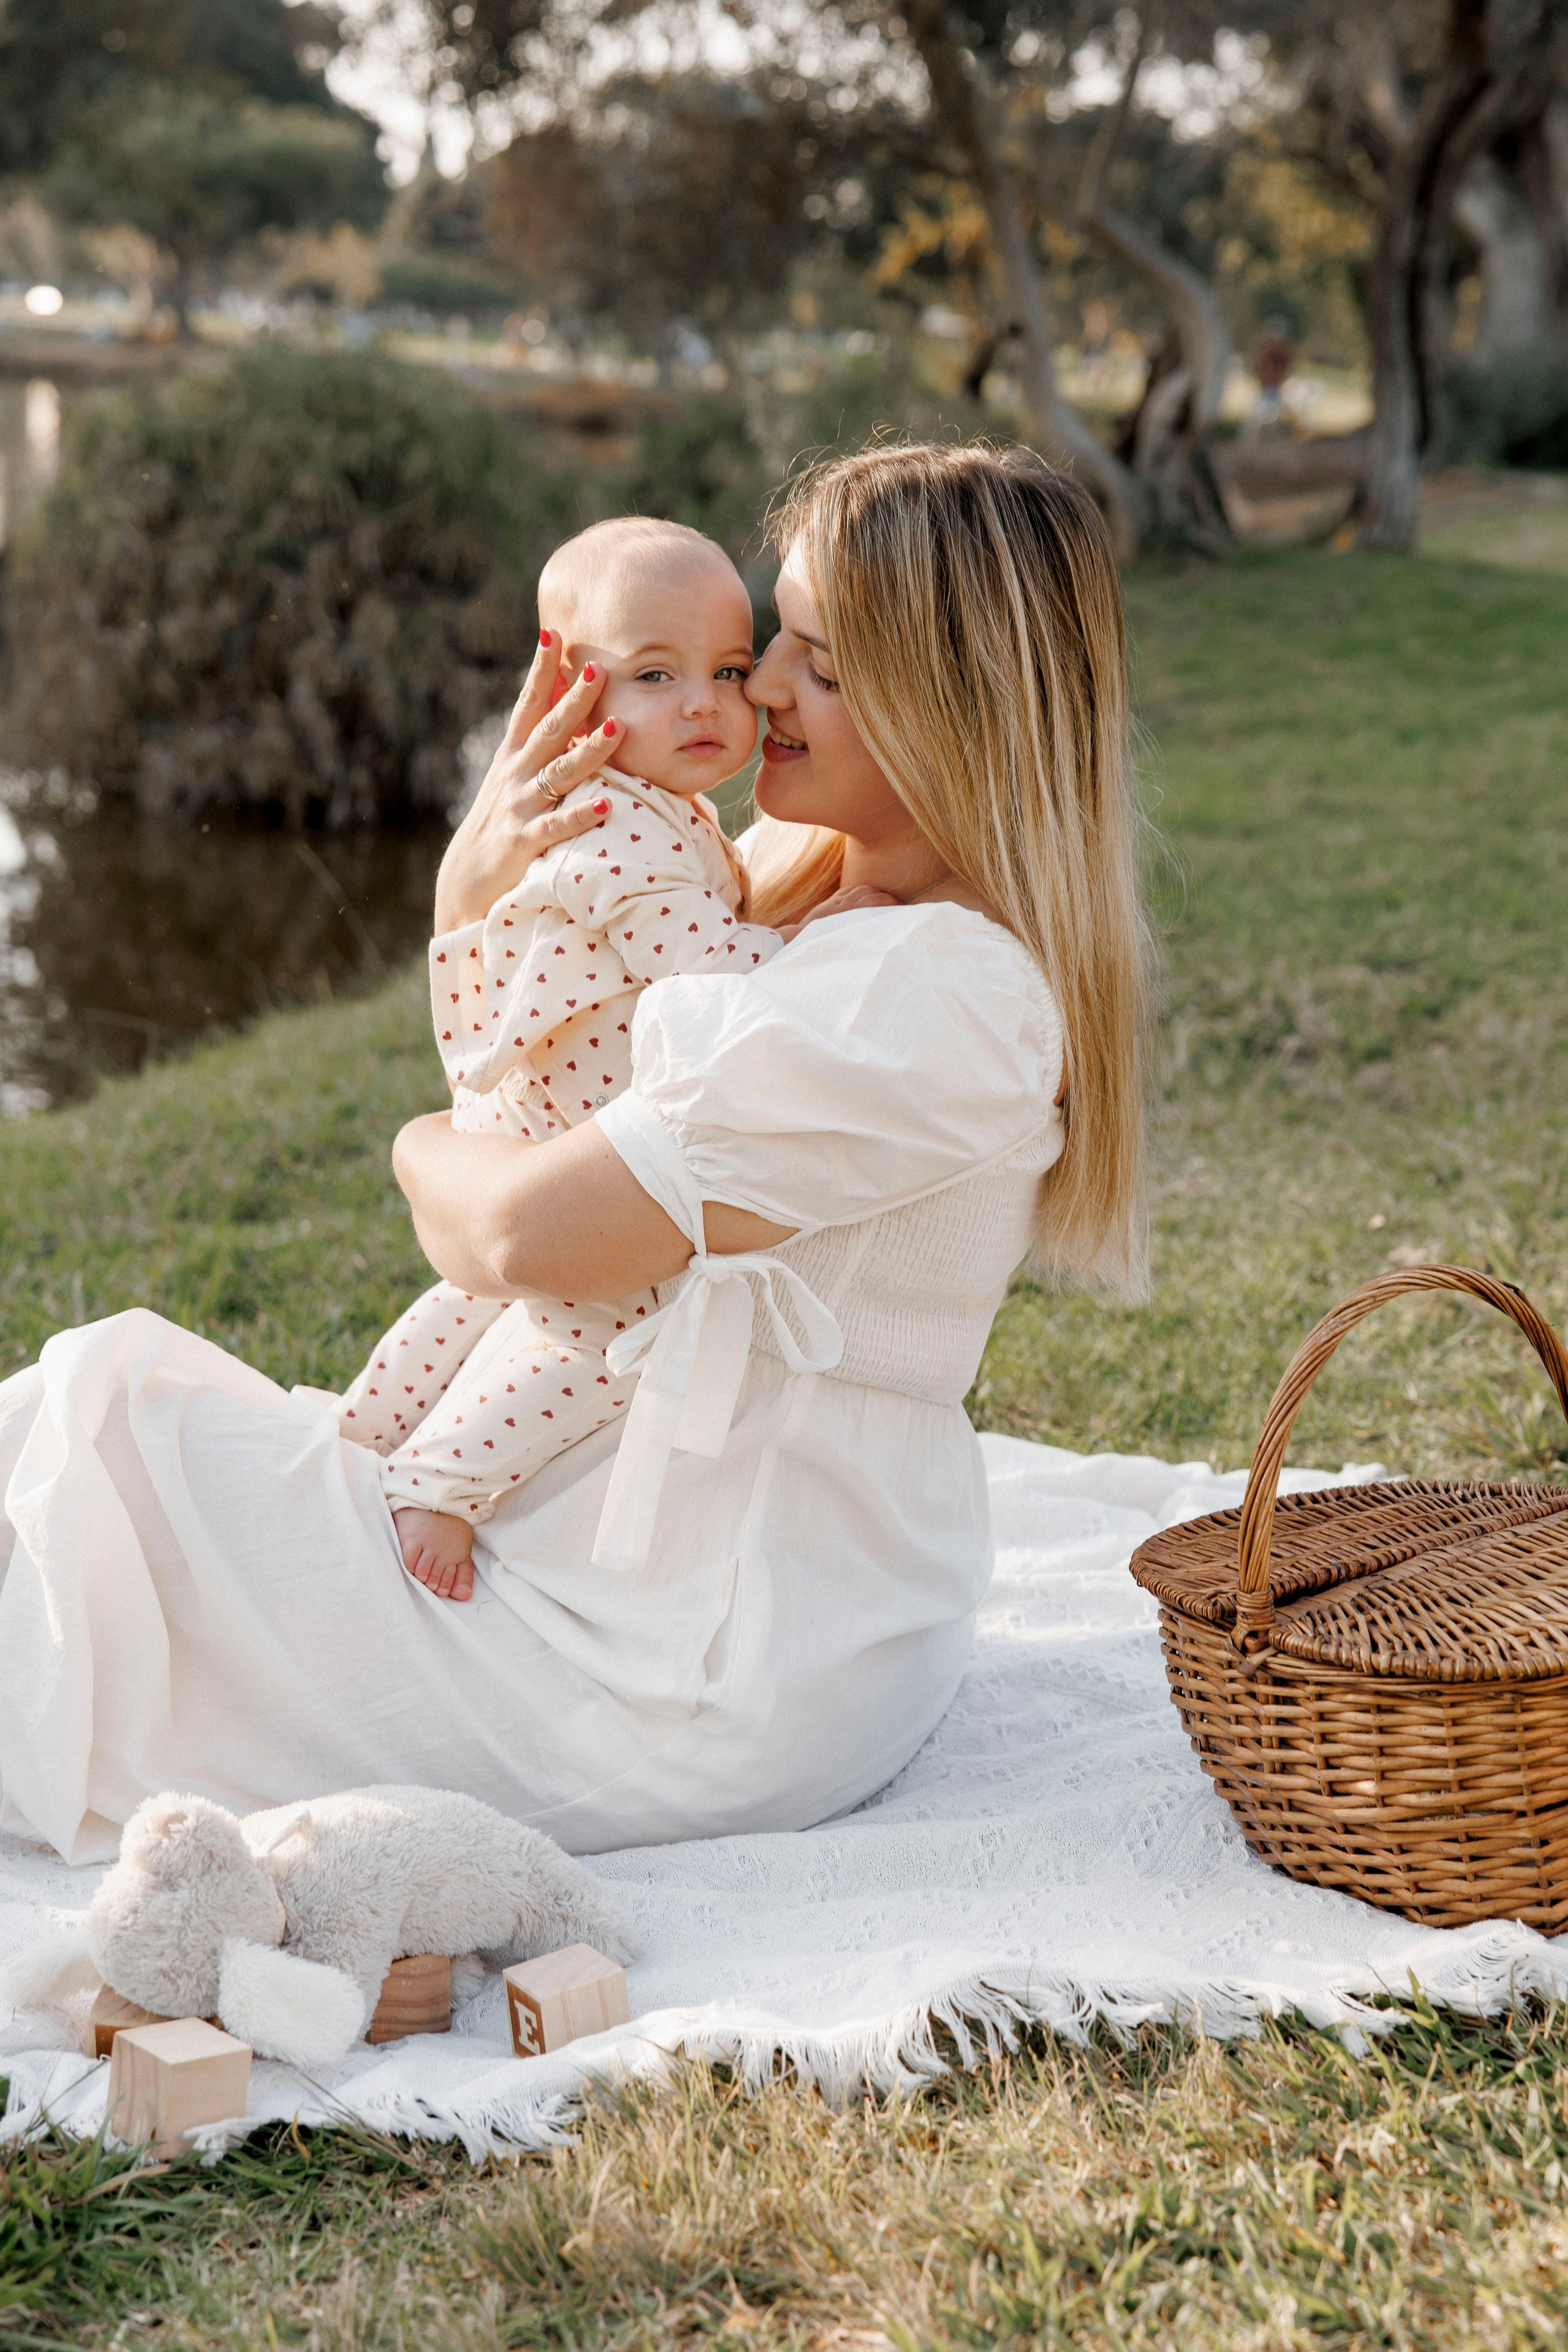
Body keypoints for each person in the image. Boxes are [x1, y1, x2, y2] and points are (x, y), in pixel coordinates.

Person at [0, 442, 1153, 1869]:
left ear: (961, 703)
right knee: (96, 1464)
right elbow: (541, 1100)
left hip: (678, 1655)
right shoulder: (784, 904)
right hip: (629, 1562)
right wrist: (468, 897)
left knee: (101, 1454)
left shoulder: (934, 994)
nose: (757, 693)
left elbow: (519, 1235)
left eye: (820, 661)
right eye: (765, 642)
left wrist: (424, 1147)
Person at [337, 516, 807, 1607]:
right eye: (655, 674)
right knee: (598, 1328)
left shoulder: (653, 810)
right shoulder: (617, 831)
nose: (704, 702)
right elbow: (714, 973)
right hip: (571, 1127)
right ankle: (440, 1483)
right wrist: (814, 937)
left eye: (727, 671)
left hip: (537, 1104)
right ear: (570, 694)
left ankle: (369, 1422)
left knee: (466, 1296)